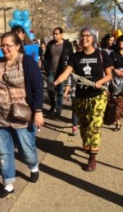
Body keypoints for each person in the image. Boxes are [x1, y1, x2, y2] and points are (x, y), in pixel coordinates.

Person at [0, 32, 44, 199]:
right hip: (0, 115)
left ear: (18, 45)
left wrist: (38, 111)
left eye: (8, 45)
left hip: (22, 115)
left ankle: (33, 166)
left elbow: (37, 86)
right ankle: (8, 184)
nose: (4, 49)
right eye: (2, 45)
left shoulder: (26, 62)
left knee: (26, 150)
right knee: (4, 151)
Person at [53, 27, 113, 171]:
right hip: (80, 97)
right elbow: (66, 73)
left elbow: (109, 75)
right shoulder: (76, 57)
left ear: (93, 38)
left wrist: (100, 82)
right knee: (85, 127)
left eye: (87, 36)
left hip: (98, 96)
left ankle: (92, 156)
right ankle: (88, 145)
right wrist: (55, 82)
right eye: (82, 36)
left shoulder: (102, 54)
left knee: (95, 125)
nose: (84, 38)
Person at [44, 27, 74, 116]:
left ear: (61, 34)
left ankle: (59, 108)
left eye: (57, 34)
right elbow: (46, 57)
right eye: (54, 34)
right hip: (51, 71)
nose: (54, 35)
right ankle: (53, 105)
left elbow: (72, 57)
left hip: (61, 72)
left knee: (60, 91)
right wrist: (45, 68)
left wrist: (68, 69)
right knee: (50, 89)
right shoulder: (50, 44)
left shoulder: (67, 44)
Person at [109, 34, 123, 131]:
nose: (121, 43)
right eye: (120, 41)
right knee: (117, 102)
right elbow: (109, 65)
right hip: (116, 81)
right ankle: (118, 123)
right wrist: (115, 70)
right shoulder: (113, 54)